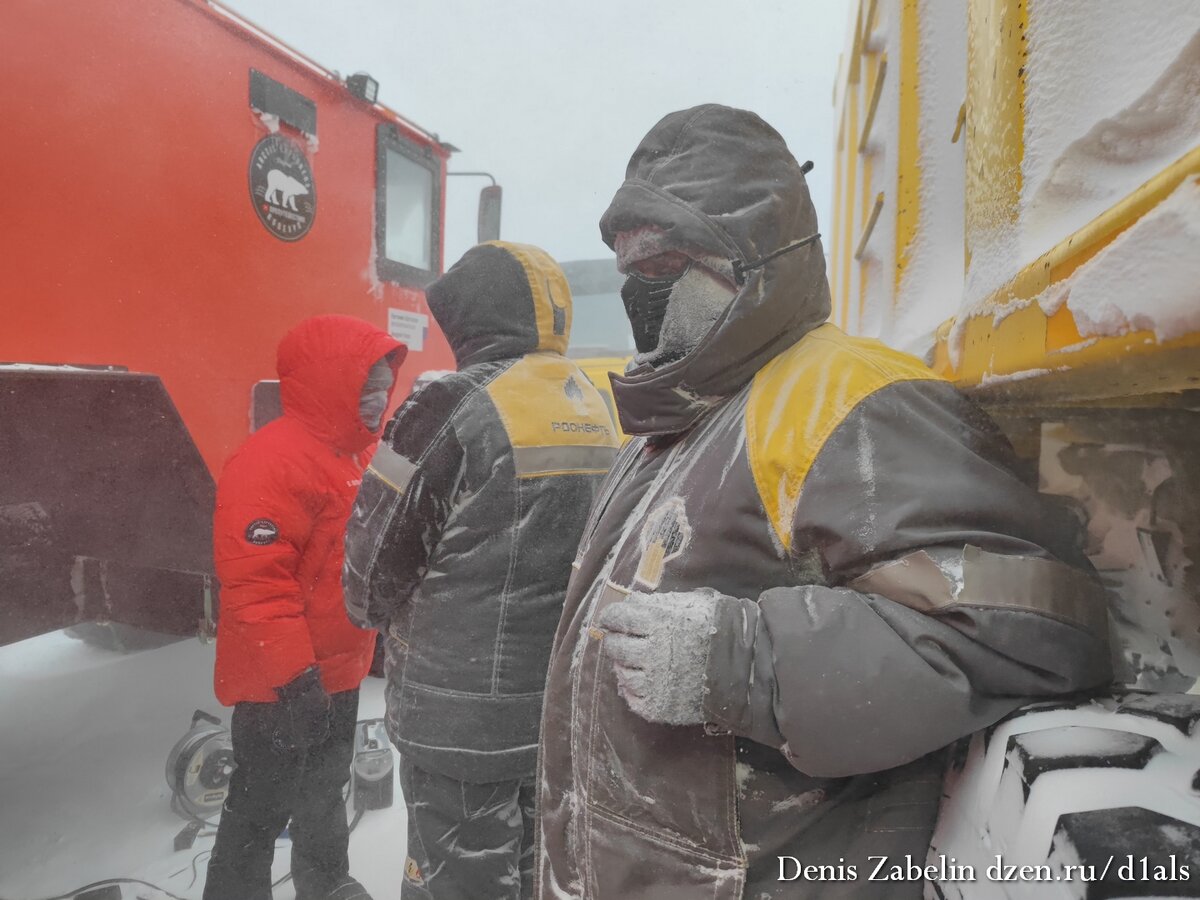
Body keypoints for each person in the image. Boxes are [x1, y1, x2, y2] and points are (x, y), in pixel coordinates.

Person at [535, 104, 1113, 899]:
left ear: (752, 261)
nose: (642, 294)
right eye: (631, 270)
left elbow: (1027, 628)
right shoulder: (669, 422)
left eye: (664, 268)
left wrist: (743, 659)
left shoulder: (846, 398)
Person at [343, 242, 620, 899]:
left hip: (460, 727)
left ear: (467, 320)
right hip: (559, 716)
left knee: (459, 885)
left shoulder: (448, 405)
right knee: (535, 877)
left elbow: (370, 572)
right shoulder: (596, 403)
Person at [205, 314, 404, 900]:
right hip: (280, 682)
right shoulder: (271, 462)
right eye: (365, 385)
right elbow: (256, 585)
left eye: (382, 385)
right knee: (258, 807)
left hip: (337, 671)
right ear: (330, 383)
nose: (378, 398)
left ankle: (326, 885)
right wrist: (295, 679)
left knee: (323, 791)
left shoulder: (354, 457)